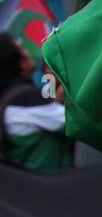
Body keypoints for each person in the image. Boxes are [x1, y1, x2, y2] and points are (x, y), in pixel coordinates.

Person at [0, 34, 73, 172]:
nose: (27, 51)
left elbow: (47, 103)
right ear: (19, 61)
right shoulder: (26, 101)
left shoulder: (10, 98)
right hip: (50, 186)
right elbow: (73, 121)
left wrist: (50, 75)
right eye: (22, 49)